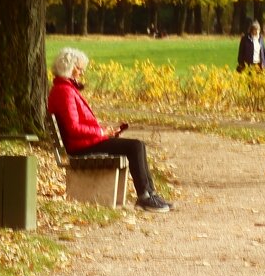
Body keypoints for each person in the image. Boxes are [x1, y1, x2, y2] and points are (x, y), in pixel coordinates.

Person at [47, 48, 173, 212]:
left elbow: (78, 124)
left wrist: (104, 131)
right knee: (135, 146)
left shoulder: (65, 89)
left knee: (137, 145)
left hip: (83, 142)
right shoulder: (65, 92)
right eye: (79, 68)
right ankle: (145, 196)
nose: (82, 72)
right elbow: (73, 128)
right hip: (80, 147)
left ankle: (149, 194)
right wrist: (101, 133)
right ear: (68, 67)